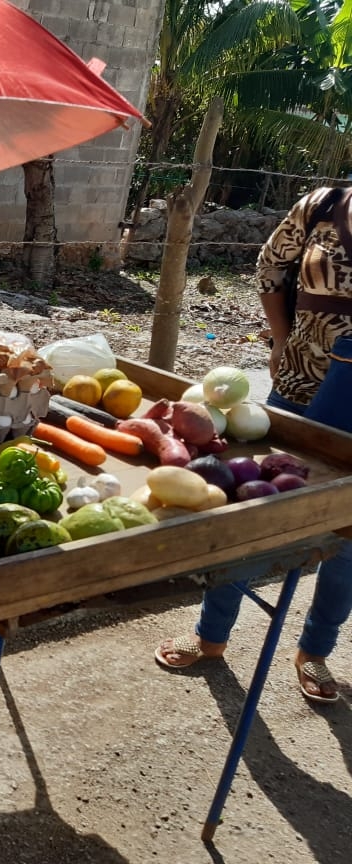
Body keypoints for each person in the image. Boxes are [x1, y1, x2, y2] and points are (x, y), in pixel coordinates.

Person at [155, 186, 352, 703]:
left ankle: (316, 651)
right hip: (295, 390)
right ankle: (211, 635)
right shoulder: (324, 206)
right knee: (250, 510)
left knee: (347, 536)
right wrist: (281, 338)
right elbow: (270, 267)